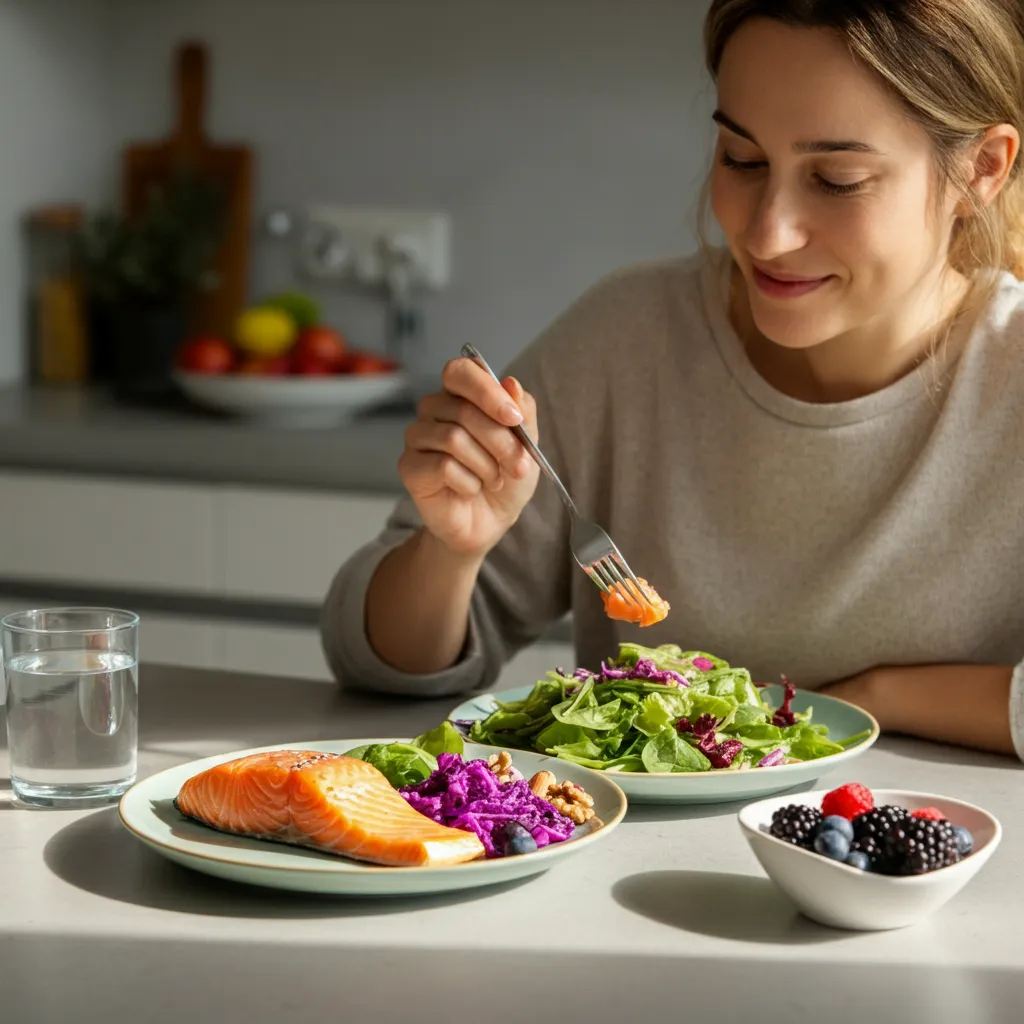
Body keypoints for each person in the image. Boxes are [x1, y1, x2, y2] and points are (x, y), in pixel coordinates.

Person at [321, 0, 1024, 761]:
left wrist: (878, 697)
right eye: (742, 161)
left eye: (837, 178)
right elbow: (379, 666)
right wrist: (450, 551)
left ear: (982, 169)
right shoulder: (626, 339)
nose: (767, 233)